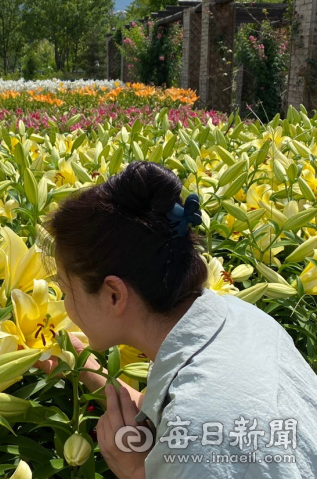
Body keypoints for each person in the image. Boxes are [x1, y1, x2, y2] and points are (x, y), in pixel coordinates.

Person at [39, 161, 317, 478]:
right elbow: (190, 404)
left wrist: (134, 471)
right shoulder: (242, 318)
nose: (63, 304)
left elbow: (199, 423)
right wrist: (86, 367)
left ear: (114, 295)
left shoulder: (197, 438)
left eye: (64, 289)